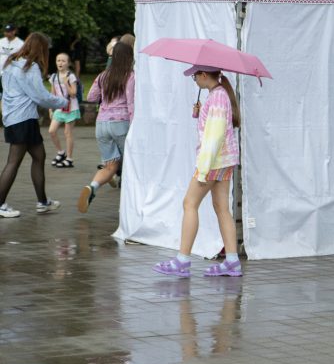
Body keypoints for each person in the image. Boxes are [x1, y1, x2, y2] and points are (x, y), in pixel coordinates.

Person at [153, 65, 241, 278]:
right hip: (224, 160)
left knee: (189, 203)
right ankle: (232, 261)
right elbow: (214, 127)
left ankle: (182, 260)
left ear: (203, 75)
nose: (194, 80)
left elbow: (215, 135)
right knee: (222, 208)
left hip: (213, 161)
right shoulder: (217, 95)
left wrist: (203, 168)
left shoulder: (218, 97)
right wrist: (201, 113)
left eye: (195, 76)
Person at [0, 33, 67, 218]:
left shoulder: (11, 62)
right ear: (41, 49)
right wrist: (63, 102)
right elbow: (40, 96)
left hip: (13, 117)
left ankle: (43, 202)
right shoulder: (30, 67)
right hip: (23, 119)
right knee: (13, 162)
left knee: (39, 156)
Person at [79, 42, 135, 212]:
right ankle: (130, 205)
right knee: (130, 164)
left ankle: (93, 186)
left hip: (102, 124)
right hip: (122, 124)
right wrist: (134, 127)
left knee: (111, 165)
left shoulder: (103, 76)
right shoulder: (130, 76)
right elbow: (131, 104)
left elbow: (91, 96)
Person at [48, 52, 81, 168]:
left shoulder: (71, 76)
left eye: (63, 61)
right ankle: (61, 152)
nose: (60, 63)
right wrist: (50, 109)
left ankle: (69, 159)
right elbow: (52, 95)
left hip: (71, 108)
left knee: (68, 133)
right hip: (59, 108)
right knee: (52, 131)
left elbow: (73, 94)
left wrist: (66, 82)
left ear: (68, 63)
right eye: (58, 60)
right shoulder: (53, 77)